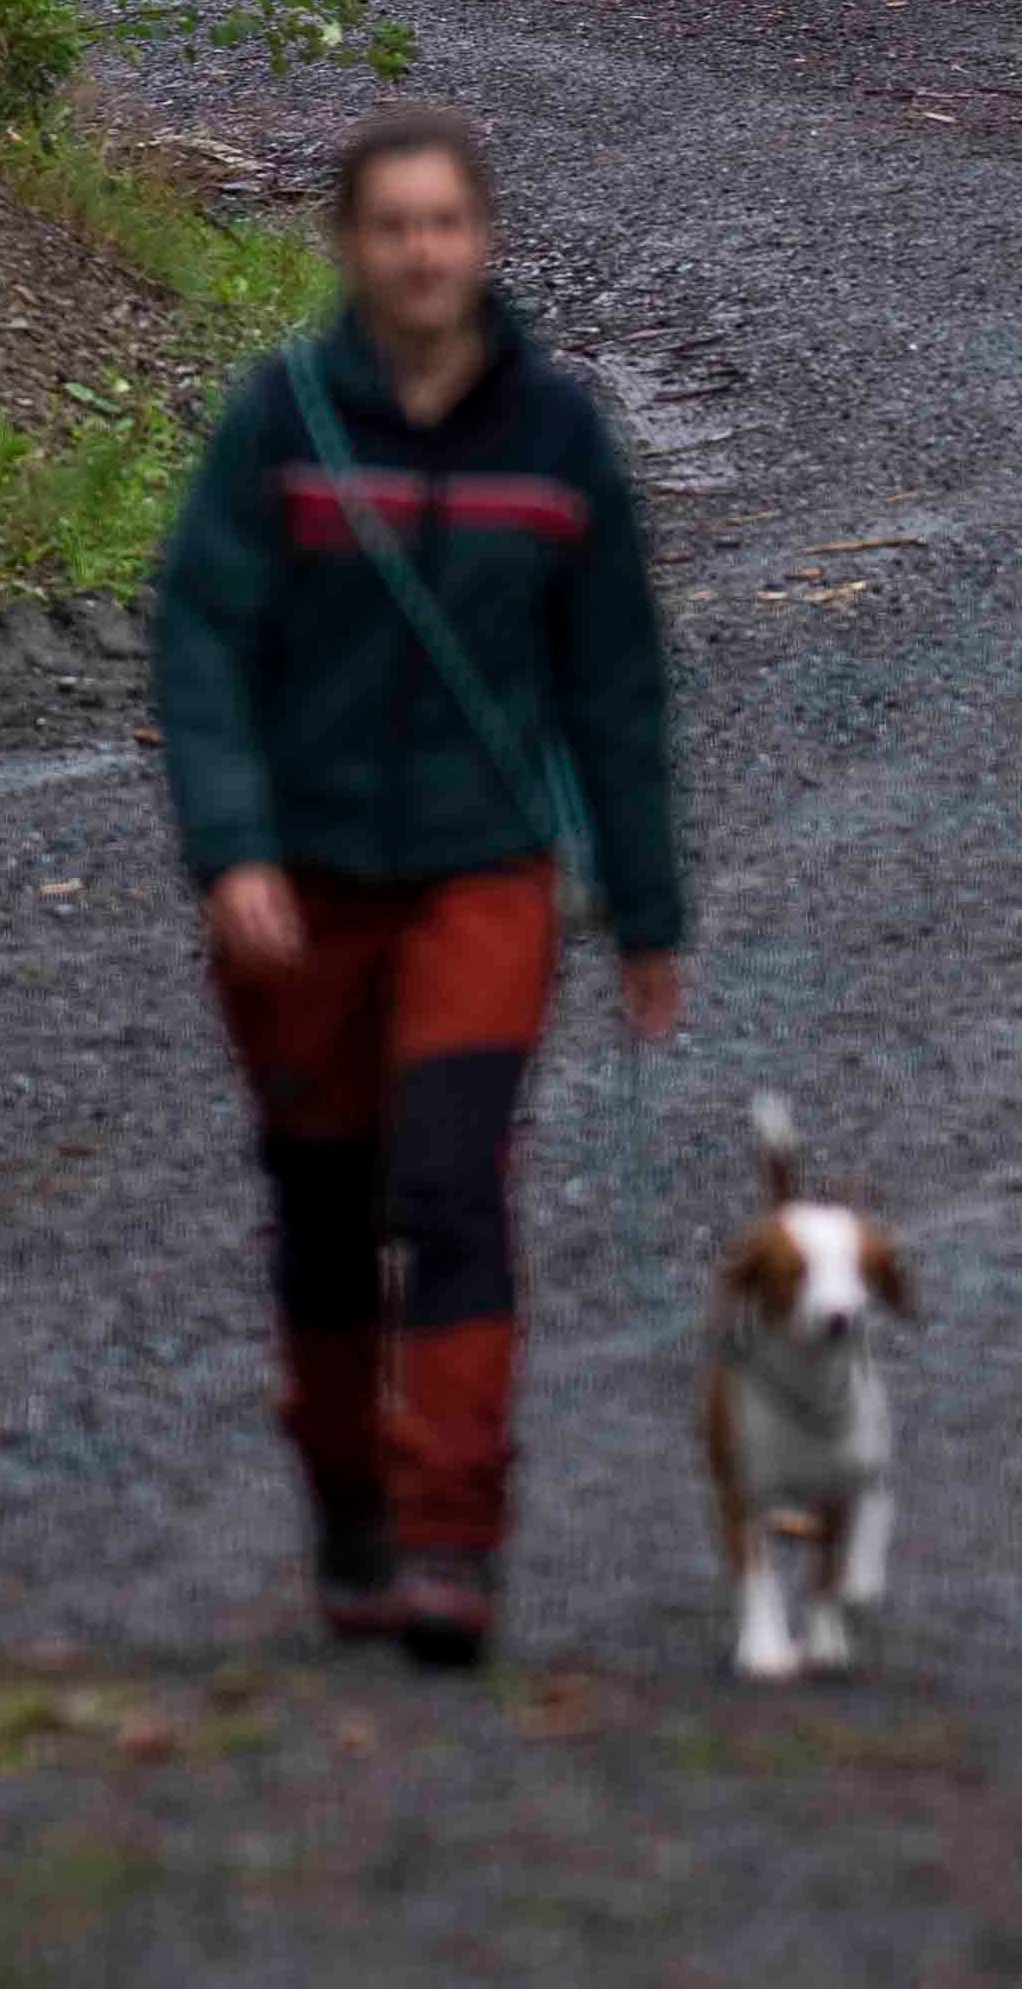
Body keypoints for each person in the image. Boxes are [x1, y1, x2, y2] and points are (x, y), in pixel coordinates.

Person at [143, 101, 689, 1668]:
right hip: (298, 888)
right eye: (390, 226)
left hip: (480, 878)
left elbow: (618, 689)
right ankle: (352, 1516)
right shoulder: (279, 422)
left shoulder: (558, 437)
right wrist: (231, 846)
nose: (420, 252)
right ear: (346, 249)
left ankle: (454, 1535)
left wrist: (646, 915)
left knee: (450, 1188)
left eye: (444, 223)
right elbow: (199, 645)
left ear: (486, 244)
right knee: (323, 1212)